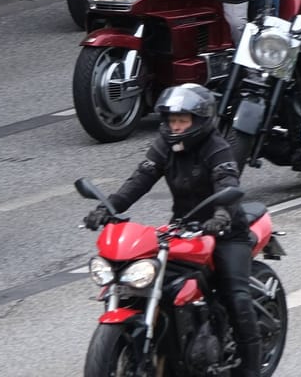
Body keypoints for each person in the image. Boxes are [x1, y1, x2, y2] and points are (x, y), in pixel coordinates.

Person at [83, 85, 262, 377]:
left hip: (226, 231)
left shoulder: (216, 148)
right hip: (185, 228)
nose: (175, 126)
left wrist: (220, 216)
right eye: (172, 120)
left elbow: (227, 183)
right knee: (147, 281)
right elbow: (141, 178)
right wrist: (108, 208)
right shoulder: (165, 144)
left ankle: (251, 370)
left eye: (183, 121)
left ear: (200, 121)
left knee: (236, 295)